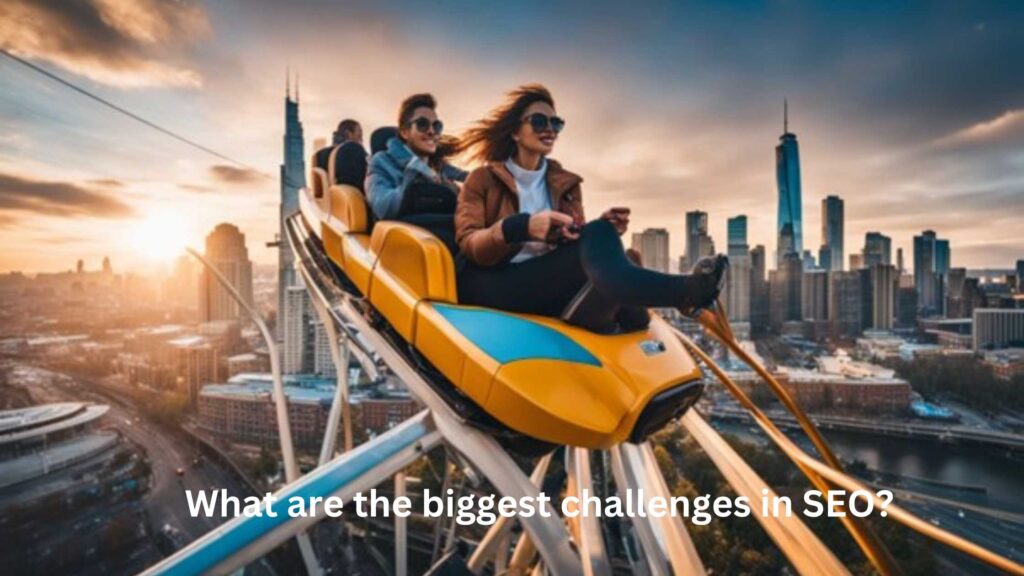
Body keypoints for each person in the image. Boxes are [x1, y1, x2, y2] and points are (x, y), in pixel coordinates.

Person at [454, 84, 727, 332]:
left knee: (634, 310)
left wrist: (595, 228)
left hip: (546, 282)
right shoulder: (483, 179)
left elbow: (578, 247)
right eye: (538, 121)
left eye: (556, 123)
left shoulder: (566, 183)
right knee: (616, 276)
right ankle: (685, 293)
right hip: (498, 283)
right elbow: (470, 245)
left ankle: (604, 317)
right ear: (515, 131)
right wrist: (522, 227)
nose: (549, 129)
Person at [366, 93, 467, 252]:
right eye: (422, 124)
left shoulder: (440, 166)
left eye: (437, 126)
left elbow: (468, 178)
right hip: (408, 244)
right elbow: (383, 207)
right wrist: (416, 173)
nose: (432, 131)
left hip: (451, 233)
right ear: (405, 132)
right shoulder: (382, 161)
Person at [315, 119, 368, 190]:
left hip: (330, 197)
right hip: (352, 196)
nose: (362, 138)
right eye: (359, 134)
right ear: (348, 133)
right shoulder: (353, 151)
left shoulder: (320, 154)